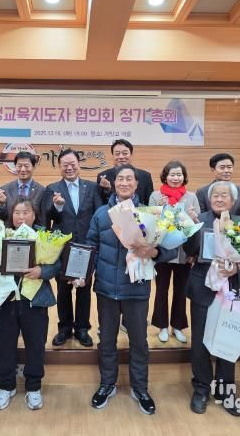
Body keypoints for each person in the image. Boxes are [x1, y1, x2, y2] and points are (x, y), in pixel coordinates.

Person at [87, 165, 177, 415]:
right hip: (106, 288)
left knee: (139, 341)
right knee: (106, 340)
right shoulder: (102, 214)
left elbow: (170, 249)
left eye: (129, 179)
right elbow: (91, 245)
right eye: (120, 179)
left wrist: (154, 251)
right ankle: (107, 384)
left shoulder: (150, 214)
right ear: (114, 183)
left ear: (137, 184)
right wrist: (82, 274)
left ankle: (140, 388)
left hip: (136, 288)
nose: (124, 183)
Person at [182, 181, 240, 417]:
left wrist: (238, 268)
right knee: (200, 341)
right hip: (203, 287)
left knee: (228, 339)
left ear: (233, 201)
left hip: (233, 288)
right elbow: (189, 251)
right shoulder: (200, 219)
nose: (219, 198)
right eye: (215, 195)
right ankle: (201, 388)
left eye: (224, 195)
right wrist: (190, 227)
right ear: (209, 199)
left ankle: (225, 390)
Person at [0, 199, 61, 411]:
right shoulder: (2, 234)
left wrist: (41, 271)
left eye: (25, 212)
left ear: (34, 215)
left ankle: (33, 386)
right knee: (4, 343)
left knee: (36, 343)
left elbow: (56, 265)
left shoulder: (44, 236)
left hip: (35, 299)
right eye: (17, 212)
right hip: (7, 297)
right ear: (11, 215)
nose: (21, 217)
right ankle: (6, 385)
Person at [43, 149, 102, 347]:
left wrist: (96, 243)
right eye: (65, 165)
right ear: (59, 167)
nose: (69, 168)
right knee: (63, 290)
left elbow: (98, 214)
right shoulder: (52, 189)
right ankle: (65, 328)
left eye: (72, 164)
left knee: (84, 290)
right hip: (63, 248)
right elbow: (49, 217)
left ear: (79, 164)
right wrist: (57, 206)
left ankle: (83, 328)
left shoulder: (92, 187)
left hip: (86, 247)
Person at [148, 160, 199, 343]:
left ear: (184, 177)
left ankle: (177, 326)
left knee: (181, 290)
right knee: (161, 290)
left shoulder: (191, 197)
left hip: (184, 253)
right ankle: (162, 326)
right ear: (165, 176)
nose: (176, 178)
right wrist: (160, 209)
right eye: (172, 174)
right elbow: (150, 223)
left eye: (179, 174)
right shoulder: (156, 195)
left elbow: (197, 224)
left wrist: (193, 217)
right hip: (162, 252)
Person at [0, 151, 45, 225]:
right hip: (10, 231)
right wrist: (1, 204)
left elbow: (43, 218)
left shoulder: (42, 191)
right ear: (15, 167)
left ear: (33, 167)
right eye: (19, 166)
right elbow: (0, 216)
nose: (23, 169)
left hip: (33, 232)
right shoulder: (5, 189)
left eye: (26, 166)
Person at [96, 139, 154, 205]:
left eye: (125, 153)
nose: (121, 157)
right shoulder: (103, 176)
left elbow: (149, 204)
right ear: (113, 156)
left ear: (131, 155)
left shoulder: (145, 176)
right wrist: (106, 190)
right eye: (117, 154)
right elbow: (99, 202)